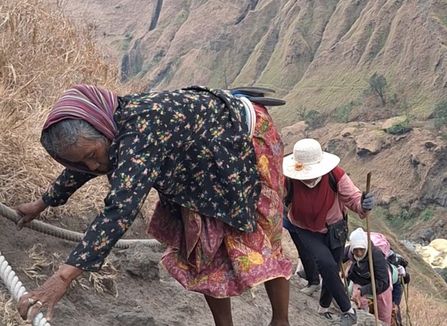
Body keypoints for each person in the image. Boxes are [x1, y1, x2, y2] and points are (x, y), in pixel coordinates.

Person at [15, 84, 292, 326]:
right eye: (81, 161)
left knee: (263, 233)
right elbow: (83, 165)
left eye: (92, 155)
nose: (93, 166)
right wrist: (41, 204)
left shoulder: (139, 132)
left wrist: (63, 277)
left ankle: (281, 320)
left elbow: (120, 210)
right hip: (196, 167)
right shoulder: (107, 132)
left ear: (102, 128)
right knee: (202, 248)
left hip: (244, 137)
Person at [282, 138, 375, 326]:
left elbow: (354, 199)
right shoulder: (289, 180)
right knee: (327, 264)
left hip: (335, 229)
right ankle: (348, 310)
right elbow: (277, 198)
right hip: (305, 229)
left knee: (331, 266)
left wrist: (364, 205)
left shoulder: (335, 176)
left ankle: (324, 306)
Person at [345, 228, 392, 326]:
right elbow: (336, 258)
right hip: (360, 278)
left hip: (380, 282)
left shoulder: (376, 255)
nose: (358, 253)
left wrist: (362, 291)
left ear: (365, 247)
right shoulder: (350, 251)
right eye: (356, 250)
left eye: (361, 250)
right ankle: (364, 319)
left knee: (383, 312)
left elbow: (383, 282)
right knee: (358, 303)